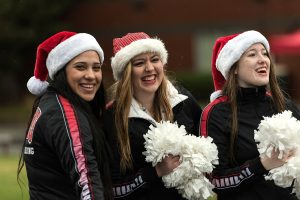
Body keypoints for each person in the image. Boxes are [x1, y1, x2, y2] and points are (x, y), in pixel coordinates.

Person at [200, 30, 300, 200]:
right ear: (234, 67)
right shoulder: (216, 113)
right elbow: (215, 181)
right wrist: (262, 164)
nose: (262, 59)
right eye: (252, 54)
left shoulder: (284, 105)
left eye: (264, 53)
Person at [103, 32, 202, 199]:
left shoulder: (183, 100)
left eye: (155, 60)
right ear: (126, 72)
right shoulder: (111, 118)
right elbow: (111, 190)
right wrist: (156, 172)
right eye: (139, 63)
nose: (149, 68)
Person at [17, 31, 113, 200]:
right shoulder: (66, 113)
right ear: (61, 71)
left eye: (96, 68)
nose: (91, 75)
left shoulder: (49, 102)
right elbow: (88, 184)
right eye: (80, 67)